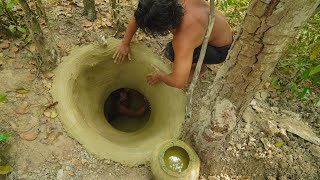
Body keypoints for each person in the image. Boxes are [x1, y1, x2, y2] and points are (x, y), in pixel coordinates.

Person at [113, 0, 233, 89]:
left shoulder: (183, 38)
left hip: (220, 49)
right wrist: (125, 43)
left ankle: (201, 68)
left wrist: (161, 76)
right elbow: (140, 16)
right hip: (213, 28)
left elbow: (178, 82)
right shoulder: (164, 3)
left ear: (165, 27)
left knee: (171, 52)